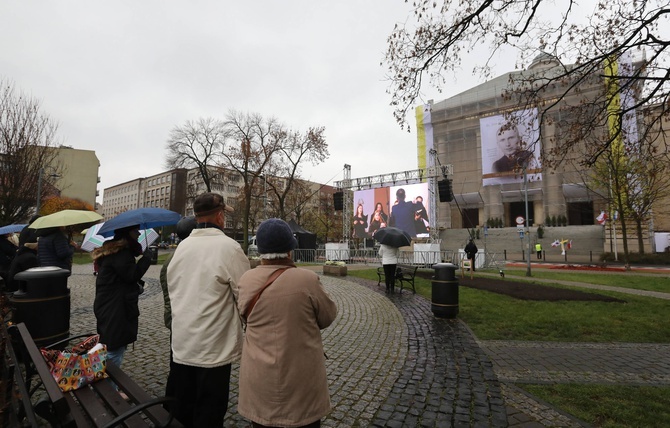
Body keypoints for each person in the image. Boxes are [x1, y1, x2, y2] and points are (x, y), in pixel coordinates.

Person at [237, 218, 337, 428]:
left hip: (259, 377)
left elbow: (243, 316)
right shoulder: (307, 279)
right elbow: (328, 316)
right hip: (301, 379)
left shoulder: (246, 280)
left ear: (261, 251)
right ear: (291, 250)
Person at [166, 192, 249, 428]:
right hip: (214, 348)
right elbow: (244, 294)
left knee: (184, 408)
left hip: (183, 343)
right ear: (221, 216)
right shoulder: (229, 248)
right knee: (210, 412)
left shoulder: (182, 248)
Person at [91, 225, 153, 368]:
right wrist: (146, 259)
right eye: (135, 231)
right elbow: (131, 275)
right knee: (114, 349)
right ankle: (108, 388)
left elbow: (121, 278)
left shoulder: (117, 252)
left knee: (114, 345)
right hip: (115, 308)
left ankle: (110, 386)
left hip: (112, 305)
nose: (138, 234)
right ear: (127, 234)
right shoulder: (121, 253)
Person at [159, 215, 196, 412]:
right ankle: (177, 408)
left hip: (174, 318)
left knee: (176, 365)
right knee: (180, 367)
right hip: (181, 319)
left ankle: (173, 405)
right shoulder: (183, 257)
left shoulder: (174, 257)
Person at [6, 227, 39, 292]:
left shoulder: (22, 254)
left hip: (15, 287)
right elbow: (33, 277)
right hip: (20, 289)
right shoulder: (30, 257)